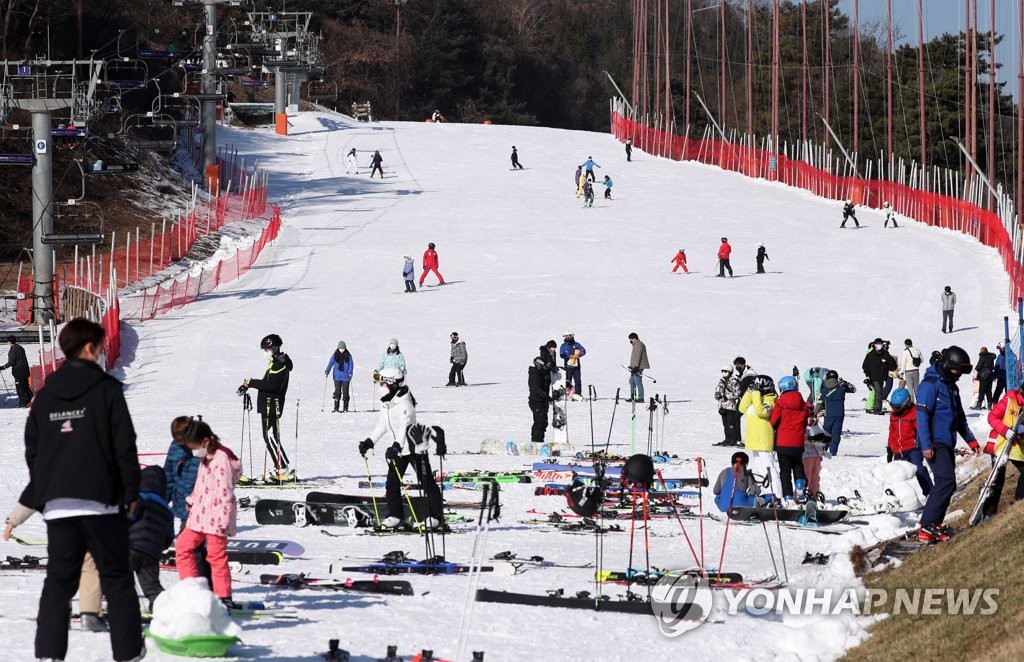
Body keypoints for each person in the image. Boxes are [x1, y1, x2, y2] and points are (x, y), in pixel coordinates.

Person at [24, 317, 144, 662]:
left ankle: (49, 655)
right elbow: (124, 445)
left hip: (59, 505)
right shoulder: (106, 389)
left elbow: (33, 449)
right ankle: (128, 653)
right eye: (103, 347)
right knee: (117, 579)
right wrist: (131, 492)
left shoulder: (45, 396)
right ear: (89, 348)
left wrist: (47, 489)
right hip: (101, 503)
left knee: (58, 582)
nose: (104, 352)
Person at [4, 498, 107, 633]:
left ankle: (60, 613)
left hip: (60, 522)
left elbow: (36, 491)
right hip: (92, 519)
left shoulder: (53, 475)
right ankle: (90, 615)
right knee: (90, 566)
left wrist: (13, 521)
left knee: (62, 568)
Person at [357, 370, 445, 529]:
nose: (381, 386)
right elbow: (382, 425)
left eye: (383, 383)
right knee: (391, 483)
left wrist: (397, 446)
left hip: (415, 447)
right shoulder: (386, 402)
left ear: (393, 384)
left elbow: (404, 427)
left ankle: (436, 517)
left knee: (426, 482)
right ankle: (395, 516)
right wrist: (370, 441)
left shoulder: (405, 403)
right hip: (398, 450)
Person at [174, 420, 242, 605]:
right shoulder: (207, 454)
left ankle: (224, 597)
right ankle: (192, 589)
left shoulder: (221, 459)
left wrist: (222, 521)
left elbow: (224, 492)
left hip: (216, 518)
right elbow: (202, 483)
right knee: (182, 546)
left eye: (195, 447)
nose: (194, 451)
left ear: (204, 441)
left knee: (216, 557)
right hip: (199, 515)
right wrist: (192, 499)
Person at [917, 346, 981, 542]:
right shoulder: (930, 385)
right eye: (957, 370)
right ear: (946, 365)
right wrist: (926, 445)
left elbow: (959, 417)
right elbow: (921, 416)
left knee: (947, 484)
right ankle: (927, 526)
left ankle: (933, 524)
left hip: (946, 441)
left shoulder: (951, 386)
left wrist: (971, 441)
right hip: (934, 442)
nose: (959, 375)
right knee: (946, 481)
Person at [164, 416, 211, 584]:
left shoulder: (202, 449)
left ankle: (198, 582)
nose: (181, 443)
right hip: (181, 503)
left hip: (199, 506)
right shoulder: (175, 448)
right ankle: (194, 581)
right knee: (189, 546)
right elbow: (169, 474)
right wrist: (163, 499)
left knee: (191, 546)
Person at [241, 333, 293, 479]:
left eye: (267, 349)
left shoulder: (279, 364)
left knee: (269, 435)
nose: (265, 352)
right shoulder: (276, 362)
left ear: (275, 348)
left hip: (272, 404)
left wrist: (252, 383)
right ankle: (282, 466)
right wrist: (248, 384)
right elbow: (267, 383)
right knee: (270, 436)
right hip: (269, 404)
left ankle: (282, 468)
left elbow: (271, 386)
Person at [130, 465, 173, 612]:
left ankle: (123, 607)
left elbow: (130, 517)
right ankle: (160, 606)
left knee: (121, 580)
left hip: (131, 546)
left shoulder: (140, 498)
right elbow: (169, 536)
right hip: (152, 552)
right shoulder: (167, 510)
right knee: (151, 585)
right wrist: (159, 548)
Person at [981, 388, 1024, 518]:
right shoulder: (1009, 400)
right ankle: (988, 513)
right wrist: (1006, 430)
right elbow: (992, 417)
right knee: (997, 479)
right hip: (999, 444)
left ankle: (1019, 502)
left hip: (1016, 447)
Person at [769, 375, 809, 504]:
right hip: (797, 442)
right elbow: (805, 424)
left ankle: (788, 497)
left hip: (783, 442)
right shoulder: (803, 404)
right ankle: (799, 485)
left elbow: (773, 422)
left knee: (785, 471)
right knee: (798, 465)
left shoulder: (780, 403)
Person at [739, 375, 780, 500]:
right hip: (754, 440)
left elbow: (762, 411)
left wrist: (756, 393)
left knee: (769, 468)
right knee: (760, 469)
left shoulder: (770, 400)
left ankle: (778, 494)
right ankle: (767, 494)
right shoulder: (756, 398)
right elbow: (742, 408)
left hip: (763, 439)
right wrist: (749, 391)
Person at [887, 387, 932, 496]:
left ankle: (930, 493)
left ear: (906, 403)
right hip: (898, 451)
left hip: (913, 449)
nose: (894, 410)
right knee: (897, 476)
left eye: (896, 407)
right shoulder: (893, 415)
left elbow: (923, 430)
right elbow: (892, 432)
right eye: (892, 406)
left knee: (919, 470)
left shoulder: (915, 414)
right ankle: (900, 498)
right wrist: (890, 449)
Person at [815, 369, 856, 456]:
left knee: (826, 432)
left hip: (828, 414)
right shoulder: (842, 387)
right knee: (836, 433)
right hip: (839, 414)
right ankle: (833, 452)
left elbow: (819, 403)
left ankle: (823, 449)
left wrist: (814, 413)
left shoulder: (824, 389)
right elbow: (854, 389)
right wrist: (845, 383)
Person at [527, 343, 558, 443]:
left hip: (542, 401)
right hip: (537, 401)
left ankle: (538, 440)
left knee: (543, 422)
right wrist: (547, 397)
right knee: (539, 422)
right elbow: (536, 389)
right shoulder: (535, 375)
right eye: (543, 367)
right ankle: (536, 441)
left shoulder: (541, 373)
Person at [862, 337, 896, 415]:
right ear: (874, 345)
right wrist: (867, 376)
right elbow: (865, 366)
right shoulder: (870, 355)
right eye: (878, 344)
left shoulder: (885, 354)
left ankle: (876, 408)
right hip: (873, 377)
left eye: (880, 344)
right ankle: (877, 410)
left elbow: (892, 365)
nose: (879, 345)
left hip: (881, 377)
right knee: (878, 392)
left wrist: (887, 363)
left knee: (878, 393)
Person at [714, 365, 743, 447]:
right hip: (722, 406)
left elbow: (737, 393)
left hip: (731, 406)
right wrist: (718, 396)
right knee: (725, 424)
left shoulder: (734, 381)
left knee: (731, 424)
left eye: (725, 371)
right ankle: (727, 439)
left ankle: (733, 440)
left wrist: (726, 397)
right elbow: (717, 390)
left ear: (730, 372)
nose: (723, 373)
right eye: (722, 371)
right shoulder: (722, 380)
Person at [1, 334, 32, 407]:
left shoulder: (12, 350)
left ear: (10, 342)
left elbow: (11, 362)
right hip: (25, 370)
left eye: (8, 341)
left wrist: (3, 367)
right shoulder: (21, 347)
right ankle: (30, 400)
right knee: (26, 386)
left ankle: (23, 403)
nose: (7, 343)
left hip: (18, 372)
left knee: (20, 388)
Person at [803, 419, 830, 498]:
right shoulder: (803, 427)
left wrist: (824, 438)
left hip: (817, 455)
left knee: (815, 477)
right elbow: (801, 438)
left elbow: (827, 436)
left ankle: (814, 494)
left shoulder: (817, 426)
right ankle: (801, 495)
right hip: (806, 455)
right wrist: (811, 439)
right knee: (806, 476)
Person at [326, 341, 354, 412]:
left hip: (346, 377)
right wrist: (327, 370)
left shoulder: (348, 355)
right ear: (338, 348)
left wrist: (350, 372)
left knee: (345, 392)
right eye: (340, 348)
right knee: (337, 391)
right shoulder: (335, 355)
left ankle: (345, 408)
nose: (342, 349)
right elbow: (331, 363)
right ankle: (336, 408)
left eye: (343, 348)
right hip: (337, 376)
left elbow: (351, 365)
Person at [559, 332, 586, 397]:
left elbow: (584, 351)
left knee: (578, 381)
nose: (568, 338)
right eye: (567, 336)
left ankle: (578, 394)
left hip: (576, 366)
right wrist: (568, 356)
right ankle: (568, 395)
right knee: (568, 381)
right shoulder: (563, 345)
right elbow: (561, 355)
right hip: (568, 367)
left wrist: (579, 355)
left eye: (569, 336)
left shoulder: (577, 344)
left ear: (572, 336)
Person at [627, 332, 650, 402]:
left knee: (637, 381)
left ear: (634, 338)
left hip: (639, 366)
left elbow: (638, 356)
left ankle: (641, 398)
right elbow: (634, 357)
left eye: (631, 339)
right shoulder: (636, 345)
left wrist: (636, 367)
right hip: (635, 366)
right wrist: (631, 366)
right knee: (631, 381)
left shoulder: (639, 345)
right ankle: (633, 397)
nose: (630, 341)